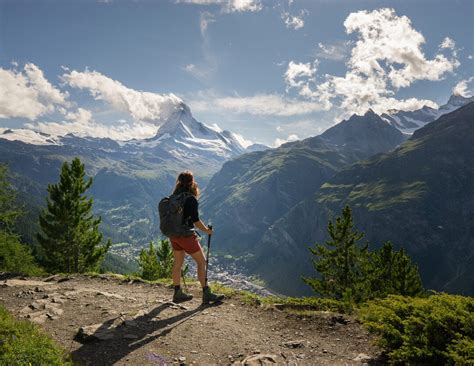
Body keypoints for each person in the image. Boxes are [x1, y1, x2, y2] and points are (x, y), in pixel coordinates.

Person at [170, 171, 224, 304]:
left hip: (173, 235)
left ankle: (177, 293)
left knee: (177, 264)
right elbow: (195, 221)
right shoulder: (190, 199)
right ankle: (206, 293)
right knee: (201, 262)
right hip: (186, 235)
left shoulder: (173, 197)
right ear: (191, 183)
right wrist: (207, 231)